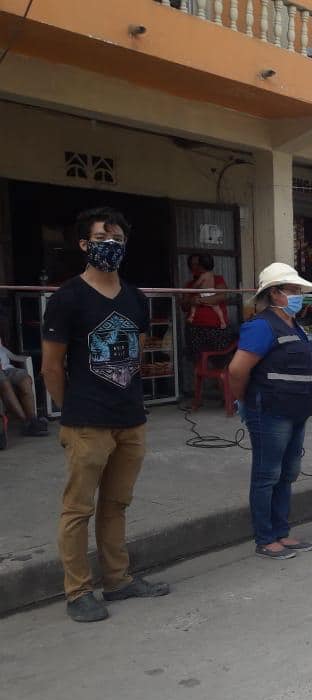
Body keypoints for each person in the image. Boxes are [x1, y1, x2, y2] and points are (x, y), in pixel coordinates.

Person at [41, 207, 170, 623]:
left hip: (130, 419)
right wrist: (72, 412)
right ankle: (78, 592)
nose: (110, 246)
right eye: (101, 239)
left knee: (116, 504)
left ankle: (117, 580)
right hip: (86, 422)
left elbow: (136, 355)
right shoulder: (67, 298)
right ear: (84, 245)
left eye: (117, 239)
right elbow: (51, 367)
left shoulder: (135, 298)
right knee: (78, 509)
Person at [228, 262, 312, 559]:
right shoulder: (261, 326)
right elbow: (237, 370)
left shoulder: (294, 325)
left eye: (299, 290)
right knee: (267, 474)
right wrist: (244, 401)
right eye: (292, 290)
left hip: (296, 411)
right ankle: (265, 538)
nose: (298, 296)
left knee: (287, 473)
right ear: (274, 293)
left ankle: (281, 531)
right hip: (269, 411)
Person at [182, 254, 233, 358]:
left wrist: (199, 300)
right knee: (197, 360)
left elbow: (222, 296)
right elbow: (184, 306)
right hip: (195, 329)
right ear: (190, 268)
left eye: (198, 264)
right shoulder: (189, 285)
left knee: (219, 361)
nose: (197, 267)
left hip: (217, 329)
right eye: (193, 265)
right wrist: (191, 300)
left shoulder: (217, 279)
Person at [0, 336, 48, 439]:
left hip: (8, 369)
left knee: (25, 379)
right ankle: (26, 422)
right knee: (5, 383)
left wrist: (25, 358)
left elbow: (9, 354)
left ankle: (32, 419)